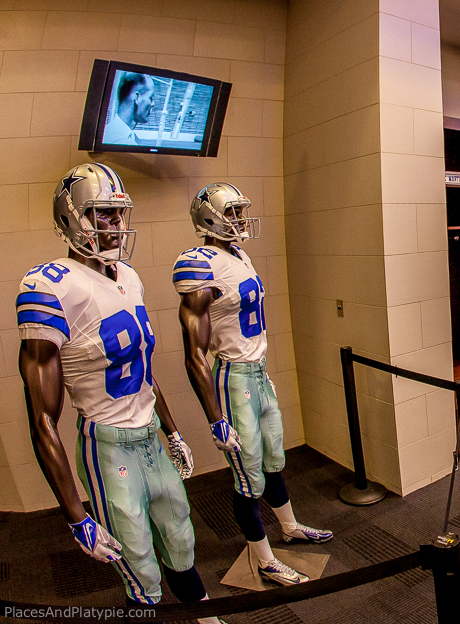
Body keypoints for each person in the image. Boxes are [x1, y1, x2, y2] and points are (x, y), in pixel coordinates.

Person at [17, 163, 221, 621]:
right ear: (71, 220)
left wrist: (171, 432)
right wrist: (76, 517)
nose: (114, 224)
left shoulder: (128, 276)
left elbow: (143, 371)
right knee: (140, 569)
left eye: (118, 213)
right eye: (101, 214)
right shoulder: (50, 287)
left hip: (150, 438)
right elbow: (42, 418)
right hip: (108, 448)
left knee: (182, 543)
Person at [174, 183, 331, 587]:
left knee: (274, 459)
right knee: (248, 478)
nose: (240, 219)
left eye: (240, 212)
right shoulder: (199, 264)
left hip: (258, 373)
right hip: (234, 378)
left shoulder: (239, 254)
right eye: (232, 213)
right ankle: (263, 559)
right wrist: (215, 418)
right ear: (209, 219)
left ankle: (289, 526)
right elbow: (194, 352)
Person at [104, 73, 155, 146]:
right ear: (137, 97)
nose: (153, 104)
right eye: (151, 98)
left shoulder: (132, 138)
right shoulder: (115, 140)